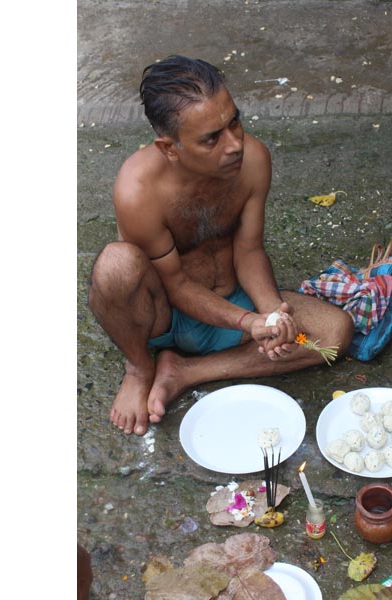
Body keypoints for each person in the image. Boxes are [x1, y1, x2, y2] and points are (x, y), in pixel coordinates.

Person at [88, 55, 354, 436]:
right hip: (163, 314)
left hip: (233, 304)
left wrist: (271, 314)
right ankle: (140, 367)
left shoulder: (253, 160)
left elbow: (249, 250)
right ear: (169, 148)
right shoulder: (138, 189)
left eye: (234, 122)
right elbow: (176, 285)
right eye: (211, 138)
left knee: (334, 333)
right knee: (115, 265)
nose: (234, 145)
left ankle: (183, 372)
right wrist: (248, 322)